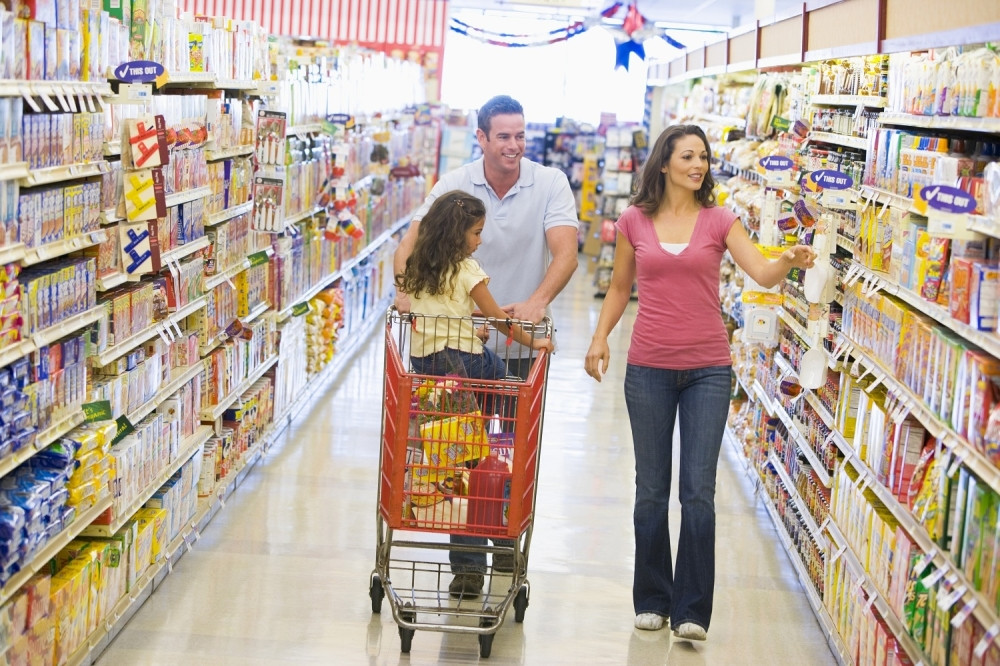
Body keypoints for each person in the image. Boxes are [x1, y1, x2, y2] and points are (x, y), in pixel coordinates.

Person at [583, 124, 816, 642]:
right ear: (663, 163)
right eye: (688, 156)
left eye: (704, 157)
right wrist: (600, 337)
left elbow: (759, 272)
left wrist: (788, 260)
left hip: (709, 369)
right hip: (647, 369)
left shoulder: (720, 220)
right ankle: (651, 598)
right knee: (650, 490)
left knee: (697, 493)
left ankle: (692, 610)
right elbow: (621, 288)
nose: (699, 165)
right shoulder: (633, 221)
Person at [394, 94, 579, 597]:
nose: (514, 145)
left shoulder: (550, 183)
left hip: (513, 346)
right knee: (464, 451)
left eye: (521, 135)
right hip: (472, 345)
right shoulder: (453, 185)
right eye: (504, 136)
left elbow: (566, 252)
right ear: (482, 137)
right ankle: (470, 563)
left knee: (511, 451)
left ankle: (504, 539)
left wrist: (539, 302)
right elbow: (409, 245)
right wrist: (404, 290)